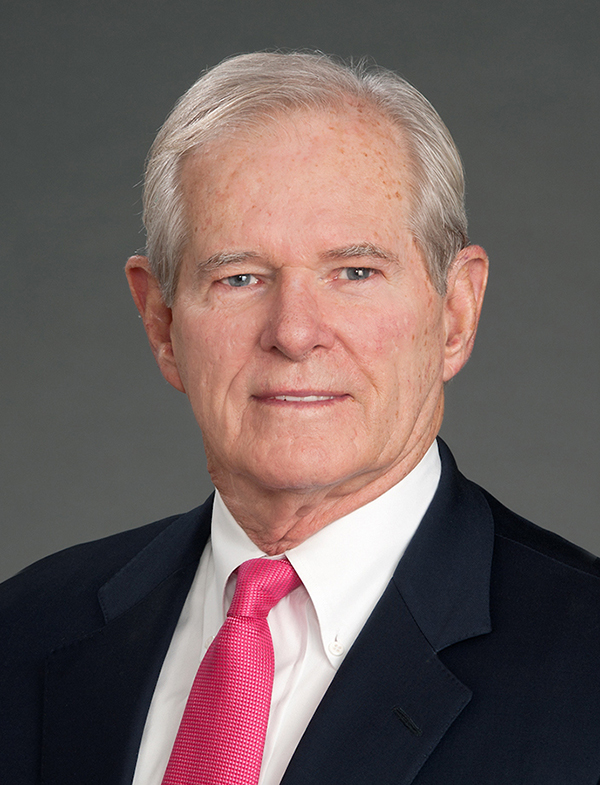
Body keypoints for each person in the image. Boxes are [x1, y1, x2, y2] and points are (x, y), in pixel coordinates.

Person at [1, 51, 599, 785]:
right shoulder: (24, 630)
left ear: (455, 312)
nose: (294, 331)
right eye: (240, 276)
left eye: (355, 272)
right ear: (160, 322)